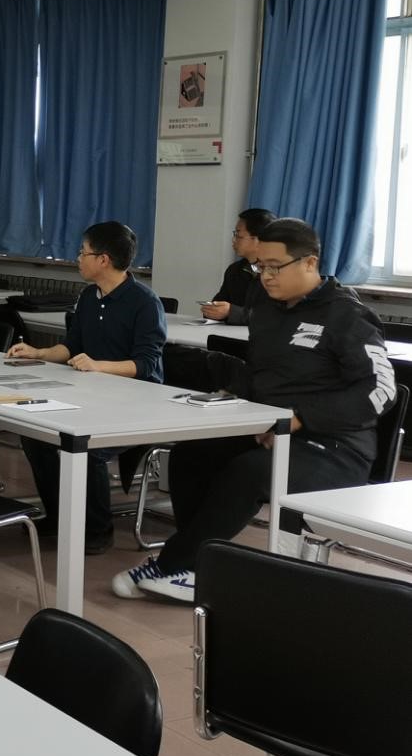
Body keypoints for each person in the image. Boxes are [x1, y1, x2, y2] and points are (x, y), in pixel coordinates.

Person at [114, 218, 395, 604]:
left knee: (248, 474)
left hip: (334, 446)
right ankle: (197, 563)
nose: (266, 276)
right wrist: (235, 398)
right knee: (190, 456)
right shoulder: (265, 305)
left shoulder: (347, 316)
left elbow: (381, 391)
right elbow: (267, 373)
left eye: (275, 267)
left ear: (310, 263)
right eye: (261, 266)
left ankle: (175, 563)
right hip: (269, 428)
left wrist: (302, 418)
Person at [7, 222, 166, 555]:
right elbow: (71, 346)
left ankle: (97, 529)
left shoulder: (144, 302)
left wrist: (98, 366)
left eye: (83, 252)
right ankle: (59, 516)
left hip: (138, 402)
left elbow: (145, 365)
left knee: (88, 448)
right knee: (37, 437)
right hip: (93, 395)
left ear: (103, 259)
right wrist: (37, 353)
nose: (78, 258)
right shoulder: (89, 297)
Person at [200, 207, 275, 325]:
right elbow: (220, 304)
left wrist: (231, 312)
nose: (233, 240)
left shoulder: (283, 272)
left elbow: (276, 317)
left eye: (238, 235)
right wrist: (212, 310)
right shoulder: (234, 270)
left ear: (259, 239)